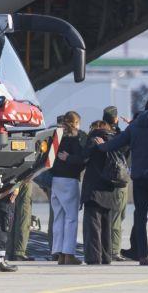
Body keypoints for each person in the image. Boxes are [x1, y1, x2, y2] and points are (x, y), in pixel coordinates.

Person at [95, 98, 148, 265]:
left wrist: (102, 146)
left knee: (140, 216)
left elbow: (117, 143)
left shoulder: (134, 126)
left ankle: (142, 256)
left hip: (139, 176)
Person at [81, 121, 119, 265]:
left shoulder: (94, 138)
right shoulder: (115, 140)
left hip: (93, 189)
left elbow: (83, 157)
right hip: (109, 188)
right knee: (106, 227)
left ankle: (93, 258)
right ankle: (106, 257)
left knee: (93, 227)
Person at [50, 111, 86, 265]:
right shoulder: (78, 137)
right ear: (76, 122)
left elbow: (49, 157)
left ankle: (58, 253)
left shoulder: (57, 135)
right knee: (71, 218)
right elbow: (82, 159)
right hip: (69, 180)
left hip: (55, 179)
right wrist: (70, 159)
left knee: (58, 216)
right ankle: (68, 253)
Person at [103, 106, 129, 262]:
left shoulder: (103, 134)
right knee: (118, 217)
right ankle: (114, 250)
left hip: (107, 180)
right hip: (120, 180)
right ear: (116, 119)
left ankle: (109, 248)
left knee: (112, 216)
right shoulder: (120, 136)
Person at [6, 181, 34, 261]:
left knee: (11, 215)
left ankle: (9, 251)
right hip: (24, 180)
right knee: (23, 218)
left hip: (11, 180)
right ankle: (19, 252)